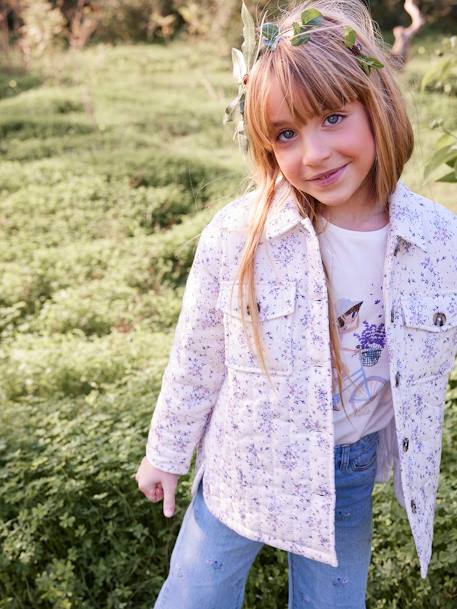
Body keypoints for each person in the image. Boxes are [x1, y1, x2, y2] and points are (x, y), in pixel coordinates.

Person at [134, 1, 457, 607]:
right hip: (245, 459)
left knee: (333, 601)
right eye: (286, 134)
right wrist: (166, 455)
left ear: (377, 108)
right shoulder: (241, 235)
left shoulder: (440, 241)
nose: (312, 154)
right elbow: (198, 354)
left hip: (348, 468)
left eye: (333, 118)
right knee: (195, 593)